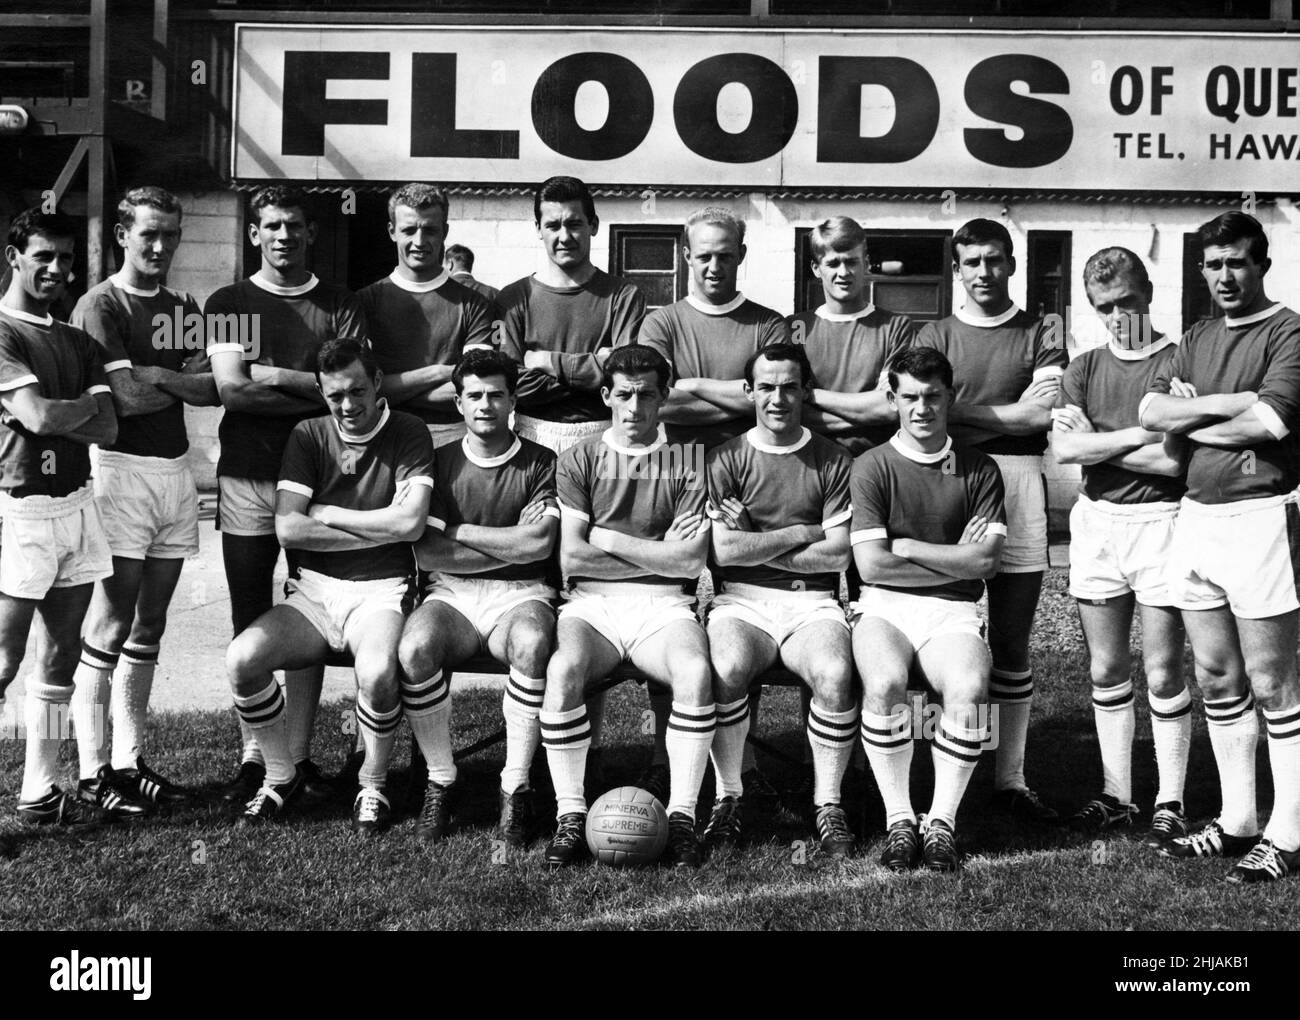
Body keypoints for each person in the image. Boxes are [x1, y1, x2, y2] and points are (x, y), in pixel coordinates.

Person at [1140, 211, 1300, 883]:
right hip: (1195, 516)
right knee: (1216, 675)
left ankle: (1287, 834)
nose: (1224, 276)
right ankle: (1238, 821)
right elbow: (1150, 414)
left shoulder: (1289, 329)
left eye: (1236, 262)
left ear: (1261, 264)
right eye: (1213, 265)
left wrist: (1194, 413)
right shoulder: (1197, 335)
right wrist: (1225, 407)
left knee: (1273, 681)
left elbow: (1269, 422)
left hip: (1262, 514)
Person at [226, 338, 432, 833]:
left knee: (379, 671)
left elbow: (411, 526)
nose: (348, 405)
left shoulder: (407, 430)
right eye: (335, 394)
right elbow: (289, 529)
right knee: (242, 660)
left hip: (382, 589)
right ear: (320, 392)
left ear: (378, 384)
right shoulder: (308, 434)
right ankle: (281, 774)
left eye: (357, 391)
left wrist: (332, 513)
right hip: (314, 590)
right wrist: (376, 524)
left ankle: (372, 783)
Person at [206, 186, 367, 805]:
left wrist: (272, 372)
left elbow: (351, 388)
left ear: (310, 232)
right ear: (253, 234)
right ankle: (258, 753)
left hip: (323, 476)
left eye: (294, 225)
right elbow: (233, 391)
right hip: (249, 471)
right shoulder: (228, 300)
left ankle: (298, 754)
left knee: (313, 612)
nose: (283, 236)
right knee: (249, 609)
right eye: (270, 225)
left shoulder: (339, 302)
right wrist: (313, 390)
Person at [65, 187, 220, 819]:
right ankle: (90, 771)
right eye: (149, 234)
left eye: (171, 235)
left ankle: (129, 762)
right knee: (107, 625)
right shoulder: (99, 303)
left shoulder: (183, 304)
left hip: (175, 470)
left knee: (149, 625)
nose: (161, 247)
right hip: (120, 471)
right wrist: (168, 380)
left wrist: (163, 379)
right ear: (123, 234)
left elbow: (214, 387)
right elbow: (123, 398)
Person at [913, 218, 1066, 823]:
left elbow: (1040, 418)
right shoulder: (934, 331)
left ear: (1011, 264)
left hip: (1021, 479)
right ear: (956, 269)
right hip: (947, 477)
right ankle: (934, 761)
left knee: (1009, 637)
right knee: (934, 624)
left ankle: (1011, 778)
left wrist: (963, 411)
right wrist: (1003, 413)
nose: (984, 272)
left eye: (995, 260)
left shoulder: (1041, 329)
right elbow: (923, 417)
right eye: (972, 262)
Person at [541, 345, 713, 868]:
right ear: (606, 395)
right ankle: (569, 814)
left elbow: (688, 564)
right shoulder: (580, 457)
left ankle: (681, 817)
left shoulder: (690, 458)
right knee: (564, 669)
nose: (634, 407)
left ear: (665, 395)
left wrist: (607, 540)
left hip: (665, 606)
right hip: (592, 603)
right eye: (623, 394)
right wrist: (655, 553)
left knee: (695, 670)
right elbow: (572, 556)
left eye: (645, 394)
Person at [637, 206, 788, 800]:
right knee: (666, 607)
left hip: (745, 477)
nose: (714, 264)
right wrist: (732, 397)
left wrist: (692, 386)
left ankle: (739, 762)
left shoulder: (768, 324)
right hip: (672, 473)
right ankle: (660, 750)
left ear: (742, 256)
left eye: (726, 254)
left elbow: (772, 402)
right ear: (686, 255)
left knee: (738, 609)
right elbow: (659, 404)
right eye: (704, 254)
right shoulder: (662, 322)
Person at [1051, 248, 1190, 844]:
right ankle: (1117, 794)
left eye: (1127, 302)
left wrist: (1101, 441)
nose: (1117, 317)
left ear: (1149, 291)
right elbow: (1065, 452)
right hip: (1098, 522)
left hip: (1163, 522)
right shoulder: (1082, 368)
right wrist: (1140, 434)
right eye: (1104, 307)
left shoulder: (1182, 359)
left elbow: (1174, 459)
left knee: (1161, 671)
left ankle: (1171, 798)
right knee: (1106, 667)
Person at [851, 347, 1006, 872]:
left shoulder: (980, 467)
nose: (922, 408)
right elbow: (871, 567)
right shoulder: (871, 466)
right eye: (910, 397)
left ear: (950, 397)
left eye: (933, 397)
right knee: (885, 682)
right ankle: (900, 819)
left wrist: (910, 548)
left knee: (969, 690)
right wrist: (953, 559)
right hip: (884, 607)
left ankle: (941, 822)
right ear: (892, 398)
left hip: (954, 612)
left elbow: (984, 562)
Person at [398, 350, 559, 845]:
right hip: (454, 594)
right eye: (474, 395)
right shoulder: (439, 462)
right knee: (415, 649)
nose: (485, 404)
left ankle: (516, 786)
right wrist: (507, 541)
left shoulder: (541, 460)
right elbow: (427, 552)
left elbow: (539, 546)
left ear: (513, 400)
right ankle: (440, 780)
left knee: (532, 643)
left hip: (523, 592)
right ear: (458, 402)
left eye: (495, 394)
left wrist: (462, 533)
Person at [703, 343, 856, 857]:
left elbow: (836, 557)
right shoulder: (723, 457)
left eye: (790, 386)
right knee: (724, 667)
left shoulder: (834, 458)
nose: (778, 398)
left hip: (811, 603)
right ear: (749, 392)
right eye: (766, 387)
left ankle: (828, 802)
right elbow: (724, 551)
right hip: (740, 601)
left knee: (834, 674)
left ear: (806, 391)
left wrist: (762, 542)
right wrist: (803, 531)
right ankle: (729, 796)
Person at [0, 209, 118, 824]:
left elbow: (109, 423)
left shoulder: (77, 339)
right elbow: (39, 420)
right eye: (42, 255)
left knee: (60, 656)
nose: (55, 268)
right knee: (3, 660)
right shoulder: (2, 331)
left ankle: (39, 789)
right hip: (19, 509)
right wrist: (63, 411)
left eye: (66, 258)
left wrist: (53, 409)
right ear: (14, 256)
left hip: (76, 503)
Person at [498, 175, 645, 455]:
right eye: (553, 225)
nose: (564, 237)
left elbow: (626, 378)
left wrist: (546, 361)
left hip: (605, 436)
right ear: (538, 229)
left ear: (593, 225)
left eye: (574, 224)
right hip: (532, 436)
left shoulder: (624, 295)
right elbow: (510, 383)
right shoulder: (511, 299)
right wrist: (595, 369)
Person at [361, 185, 496, 452]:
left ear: (445, 231)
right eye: (409, 230)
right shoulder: (365, 301)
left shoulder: (474, 303)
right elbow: (361, 390)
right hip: (383, 437)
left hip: (453, 440)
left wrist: (391, 390)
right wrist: (441, 372)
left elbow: (476, 389)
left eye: (430, 230)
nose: (420, 242)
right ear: (392, 232)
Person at [788, 217, 916, 458]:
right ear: (816, 269)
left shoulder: (897, 327)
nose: (843, 272)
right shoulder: (796, 327)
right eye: (833, 263)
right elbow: (789, 411)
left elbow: (890, 408)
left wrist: (812, 396)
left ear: (866, 264)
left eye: (852, 262)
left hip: (877, 463)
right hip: (810, 463)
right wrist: (866, 414)